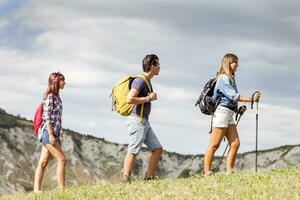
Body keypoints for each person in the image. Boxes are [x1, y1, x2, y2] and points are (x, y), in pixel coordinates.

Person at [203, 53, 261, 176]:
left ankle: (230, 171)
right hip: (222, 113)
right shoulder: (224, 78)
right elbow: (233, 96)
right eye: (235, 62)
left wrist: (237, 109)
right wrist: (251, 99)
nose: (237, 65)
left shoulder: (231, 78)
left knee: (235, 143)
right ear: (228, 63)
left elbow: (230, 99)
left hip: (228, 112)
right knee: (214, 145)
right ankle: (207, 172)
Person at [122, 54, 163, 182]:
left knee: (158, 148)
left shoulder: (147, 81)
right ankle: (125, 179)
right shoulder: (140, 81)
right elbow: (129, 99)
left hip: (144, 121)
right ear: (153, 66)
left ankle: (150, 177)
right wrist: (148, 98)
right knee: (133, 150)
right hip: (137, 121)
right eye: (158, 64)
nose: (160, 67)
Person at [34, 72, 67, 192]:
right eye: (62, 80)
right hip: (48, 133)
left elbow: (57, 119)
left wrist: (57, 136)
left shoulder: (57, 97)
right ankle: (62, 189)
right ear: (56, 82)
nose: (64, 82)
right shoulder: (50, 96)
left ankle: (36, 191)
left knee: (43, 162)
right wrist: (52, 135)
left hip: (53, 133)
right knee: (62, 159)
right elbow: (47, 117)